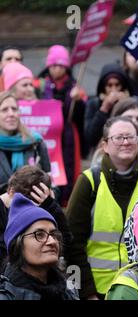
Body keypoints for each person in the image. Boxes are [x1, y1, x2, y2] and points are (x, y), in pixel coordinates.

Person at [65, 116, 138, 299]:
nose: (126, 142)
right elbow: (72, 242)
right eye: (118, 138)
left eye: (131, 137)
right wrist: (85, 292)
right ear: (105, 145)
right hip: (98, 289)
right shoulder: (89, 182)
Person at [0, 193, 78, 300]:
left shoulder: (70, 290)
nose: (51, 241)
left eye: (54, 234)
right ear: (17, 245)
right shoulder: (6, 296)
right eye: (39, 235)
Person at [35, 44, 87, 205]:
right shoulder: (38, 85)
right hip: (46, 136)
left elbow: (82, 117)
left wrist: (77, 101)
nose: (57, 69)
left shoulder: (75, 87)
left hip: (68, 136)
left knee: (69, 169)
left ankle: (66, 202)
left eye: (61, 65)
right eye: (54, 65)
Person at [0, 165, 72, 271]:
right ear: (11, 191)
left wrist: (51, 207)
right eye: (21, 204)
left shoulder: (46, 206)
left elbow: (66, 243)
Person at [0, 92, 51, 193]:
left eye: (14, 109)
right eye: (4, 110)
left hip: (31, 206)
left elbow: (50, 181)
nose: (11, 114)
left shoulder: (35, 142)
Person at [84, 63, 132, 153]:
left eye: (117, 85)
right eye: (109, 85)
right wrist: (104, 108)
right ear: (103, 87)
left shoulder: (132, 103)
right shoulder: (94, 104)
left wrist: (126, 104)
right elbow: (90, 138)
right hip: (102, 152)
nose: (113, 90)